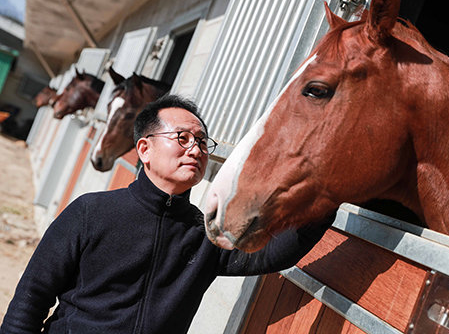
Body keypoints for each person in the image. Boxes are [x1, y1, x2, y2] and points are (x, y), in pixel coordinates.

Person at [1, 94, 335, 333]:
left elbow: (270, 255)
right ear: (144, 149)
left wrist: (328, 196)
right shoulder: (91, 211)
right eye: (183, 138)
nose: (196, 149)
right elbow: (32, 297)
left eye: (203, 142)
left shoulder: (205, 234)